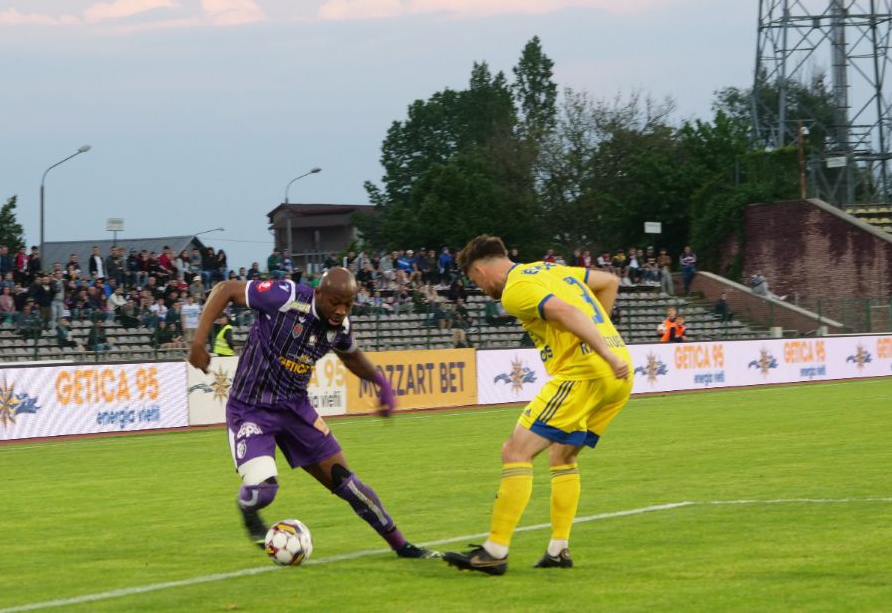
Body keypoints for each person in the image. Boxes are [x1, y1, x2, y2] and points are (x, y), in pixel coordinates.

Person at [187, 267, 438, 559]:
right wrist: (198, 342)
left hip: (296, 410)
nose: (341, 310)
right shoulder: (285, 297)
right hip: (250, 409)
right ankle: (248, 510)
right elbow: (227, 288)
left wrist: (380, 383)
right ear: (318, 293)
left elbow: (351, 355)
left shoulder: (340, 326)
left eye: (348, 304)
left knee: (348, 483)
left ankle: (402, 545)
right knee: (264, 491)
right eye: (335, 302)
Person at [442, 235, 631, 576]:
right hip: (618, 377)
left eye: (474, 280)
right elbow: (608, 281)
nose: (479, 288)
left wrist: (600, 349)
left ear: (482, 270)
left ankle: (494, 551)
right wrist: (603, 338)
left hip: (583, 373)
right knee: (562, 455)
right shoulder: (548, 270)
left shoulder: (515, 290)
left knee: (515, 451)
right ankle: (558, 550)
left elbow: (565, 310)